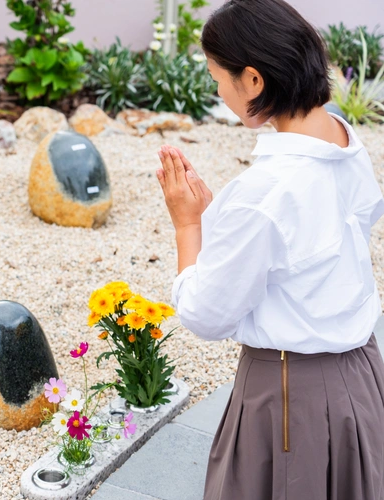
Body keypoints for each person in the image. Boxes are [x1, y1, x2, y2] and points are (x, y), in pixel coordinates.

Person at [155, 0, 384, 498]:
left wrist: (189, 225)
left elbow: (205, 313)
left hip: (287, 395)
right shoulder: (345, 139)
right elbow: (311, 247)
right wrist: (227, 221)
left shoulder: (264, 193)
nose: (217, 90)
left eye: (218, 76)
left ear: (254, 80)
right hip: (361, 374)